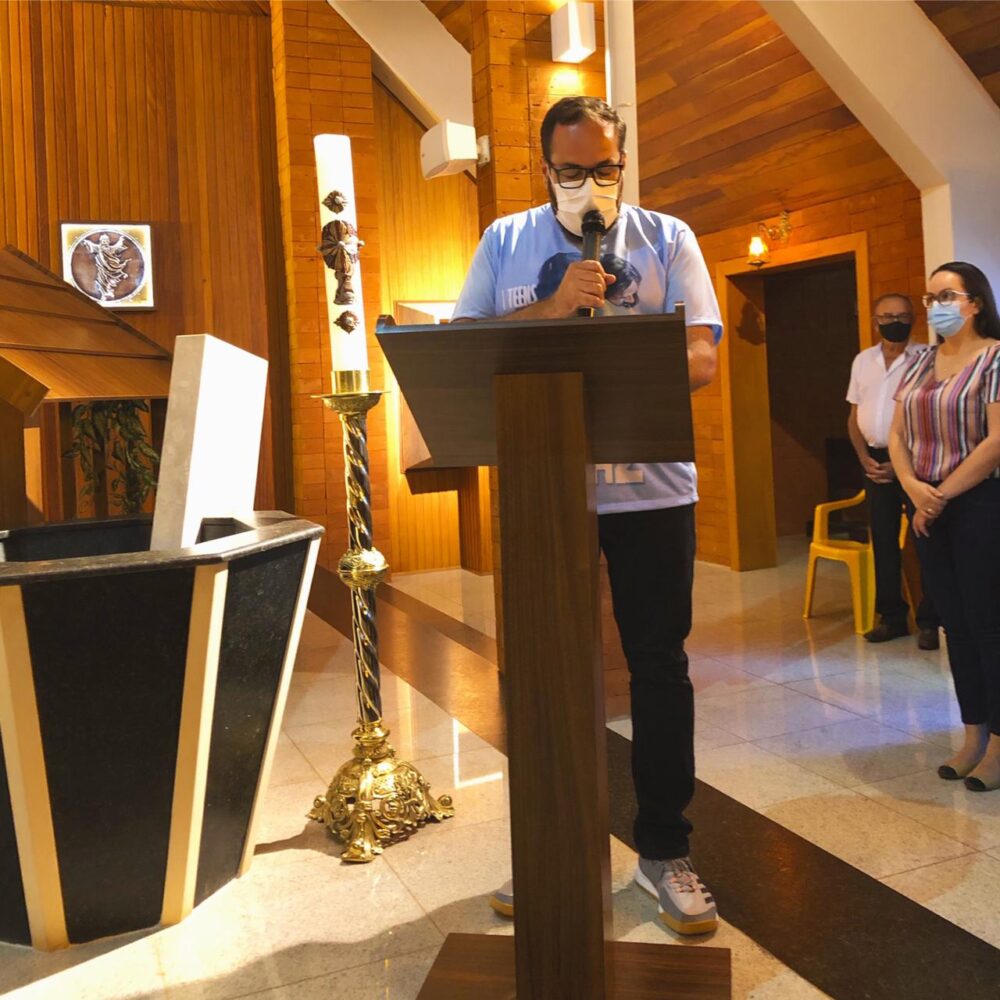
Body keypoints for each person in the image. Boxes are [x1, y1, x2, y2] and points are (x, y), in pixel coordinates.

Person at [452, 95, 722, 934]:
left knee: (659, 666)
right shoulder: (504, 241)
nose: (589, 184)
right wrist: (553, 308)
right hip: (548, 490)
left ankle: (664, 851)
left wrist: (615, 349)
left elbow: (702, 355)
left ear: (623, 164)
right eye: (572, 171)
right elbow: (467, 349)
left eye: (604, 168)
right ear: (546, 170)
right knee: (546, 671)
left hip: (652, 492)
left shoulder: (668, 238)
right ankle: (553, 849)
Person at [889, 261, 1000, 792]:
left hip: (979, 502)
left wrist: (940, 495)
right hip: (925, 503)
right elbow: (896, 434)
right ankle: (973, 735)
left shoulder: (995, 357)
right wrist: (914, 489)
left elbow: (996, 441)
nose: (936, 307)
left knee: (988, 625)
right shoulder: (919, 361)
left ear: (974, 302)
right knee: (954, 623)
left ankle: (999, 744)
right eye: (930, 298)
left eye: (947, 296)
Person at [846, 293, 939, 647]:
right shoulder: (862, 361)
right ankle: (892, 617)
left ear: (913, 319)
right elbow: (853, 415)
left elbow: (931, 417)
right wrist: (863, 459)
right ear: (875, 322)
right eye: (886, 317)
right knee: (883, 541)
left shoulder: (927, 359)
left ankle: (930, 621)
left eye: (901, 316)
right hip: (873, 462)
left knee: (926, 541)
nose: (894, 322)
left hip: (916, 462)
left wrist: (901, 465)